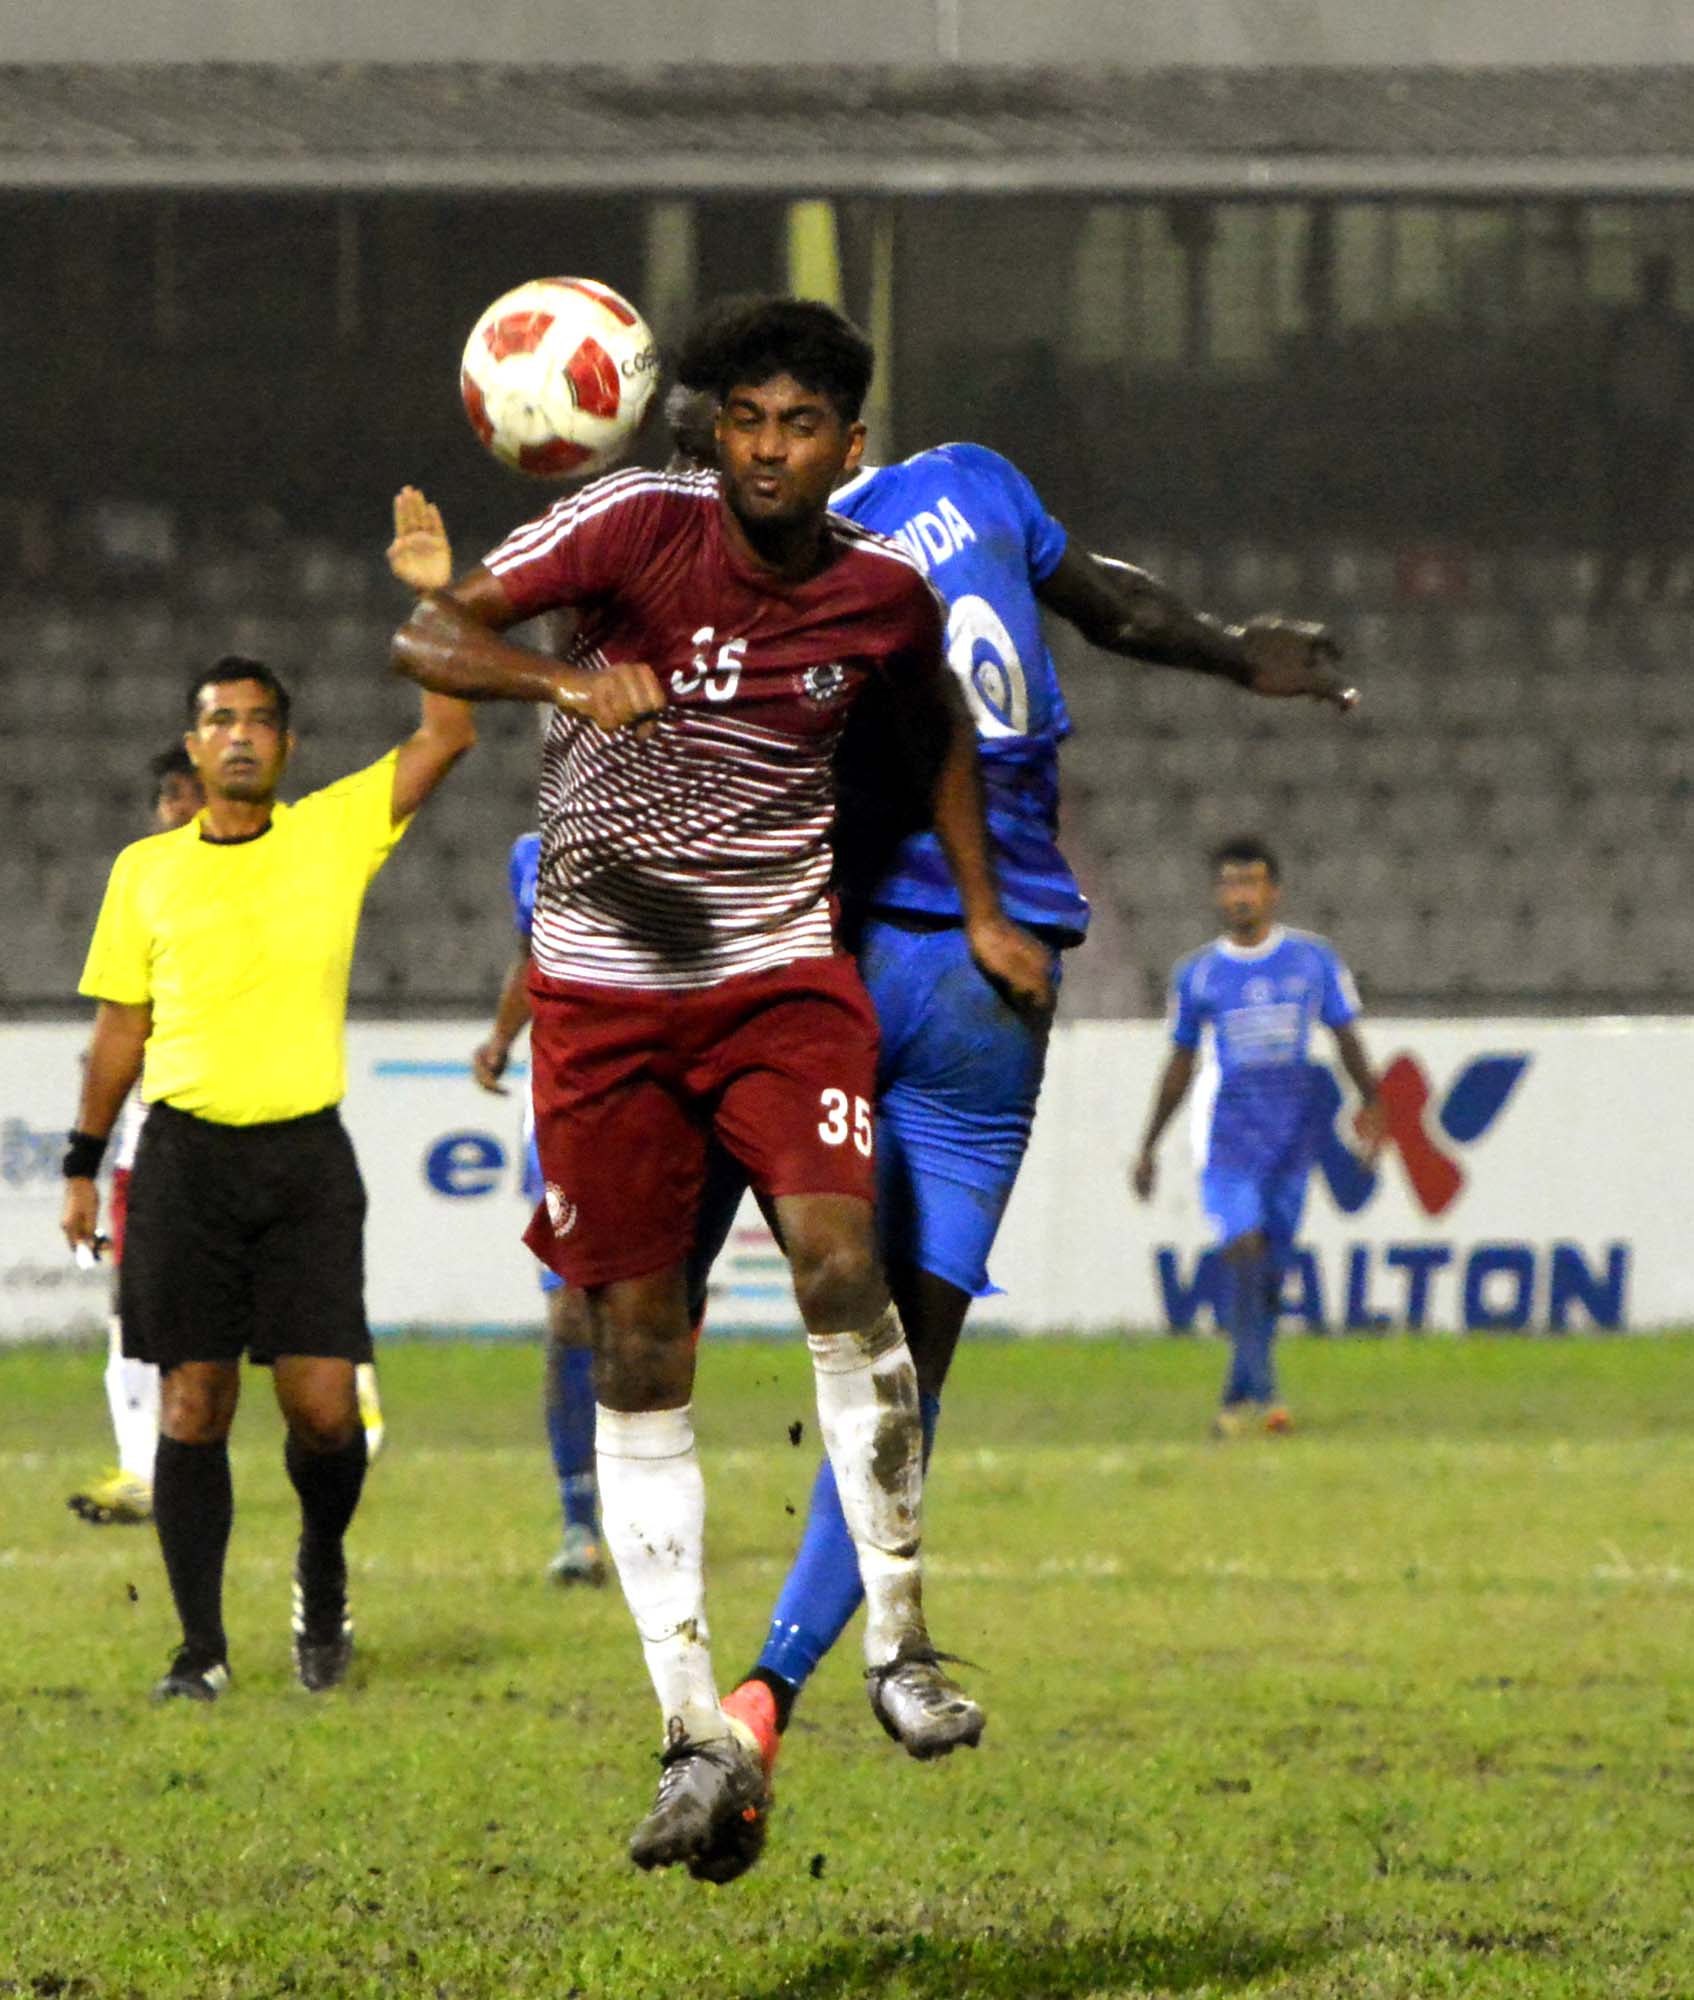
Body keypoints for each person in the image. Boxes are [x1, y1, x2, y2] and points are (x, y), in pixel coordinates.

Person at [390, 296, 1053, 1883]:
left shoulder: (880, 595)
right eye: (745, 418)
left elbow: (944, 732)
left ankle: (898, 1644)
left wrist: (976, 906)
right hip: (607, 1002)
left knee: (842, 1265)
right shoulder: (629, 520)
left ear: (848, 447)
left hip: (776, 983)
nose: (768, 447)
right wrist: (562, 689)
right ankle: (690, 1719)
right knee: (636, 1340)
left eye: (800, 424)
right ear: (712, 428)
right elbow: (429, 639)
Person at [644, 398, 1358, 1784]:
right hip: (960, 971)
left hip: (865, 968)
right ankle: (778, 1685)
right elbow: (1108, 607)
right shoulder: (970, 482)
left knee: (746, 1334)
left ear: (826, 444)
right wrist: (1230, 651)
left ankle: (736, 1703)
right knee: (887, 1370)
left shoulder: (755, 581)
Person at [61, 558, 476, 1702]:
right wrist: (83, 1163)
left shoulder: (333, 831)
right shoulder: (144, 873)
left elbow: (447, 731)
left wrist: (437, 597)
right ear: (191, 748)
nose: (237, 736)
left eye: (258, 720)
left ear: (286, 746)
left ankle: (320, 1570)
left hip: (304, 1159)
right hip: (186, 1158)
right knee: (193, 1404)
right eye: (217, 720)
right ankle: (200, 1648)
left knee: (324, 1409)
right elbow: (117, 1033)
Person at [1131, 837, 1385, 1435]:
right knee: (1242, 1248)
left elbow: (1346, 1038)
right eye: (1229, 883)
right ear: (1217, 894)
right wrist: (1148, 1145)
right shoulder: (1198, 975)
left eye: (1251, 882)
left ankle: (1240, 1392)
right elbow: (1180, 1064)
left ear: (1274, 890)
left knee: (1269, 1271)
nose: (1240, 894)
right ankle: (1263, 1395)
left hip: (1293, 1136)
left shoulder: (1313, 962)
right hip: (1229, 1136)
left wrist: (1374, 1102)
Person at [65, 746, 204, 1528]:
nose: (178, 807)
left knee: (250, 1310)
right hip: (148, 1143)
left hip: (233, 1133)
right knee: (133, 1307)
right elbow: (118, 1024)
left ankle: (353, 1413)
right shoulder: (144, 890)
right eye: (168, 796)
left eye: (191, 793)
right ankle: (144, 1469)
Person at [471, 831, 605, 1586]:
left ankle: (652, 1497)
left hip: (663, 1096)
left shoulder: (678, 817)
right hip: (564, 1108)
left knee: (655, 1312)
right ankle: (579, 1519)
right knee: (570, 1312)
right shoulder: (532, 851)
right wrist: (500, 1037)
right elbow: (535, 957)